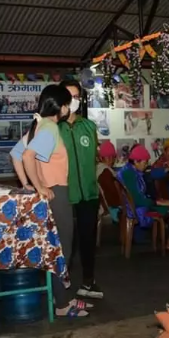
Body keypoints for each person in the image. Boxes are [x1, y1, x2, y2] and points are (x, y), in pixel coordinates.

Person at [10, 85, 92, 318]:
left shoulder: (38, 125)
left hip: (49, 195)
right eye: (68, 102)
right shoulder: (51, 128)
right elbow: (27, 156)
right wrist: (39, 186)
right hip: (56, 193)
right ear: (61, 106)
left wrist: (26, 183)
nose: (70, 107)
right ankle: (62, 305)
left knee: (55, 250)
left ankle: (62, 297)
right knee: (62, 250)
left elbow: (16, 155)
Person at [58, 80, 103, 300]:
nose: (73, 101)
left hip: (89, 193)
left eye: (76, 97)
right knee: (65, 242)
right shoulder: (53, 128)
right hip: (64, 194)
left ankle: (88, 281)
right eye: (69, 96)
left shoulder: (89, 126)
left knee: (88, 240)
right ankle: (60, 286)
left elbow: (93, 157)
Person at [118, 144, 169, 252]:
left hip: (133, 206)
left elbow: (151, 174)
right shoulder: (130, 174)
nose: (146, 165)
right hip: (136, 209)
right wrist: (157, 202)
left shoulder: (130, 171)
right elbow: (138, 200)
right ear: (136, 161)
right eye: (145, 162)